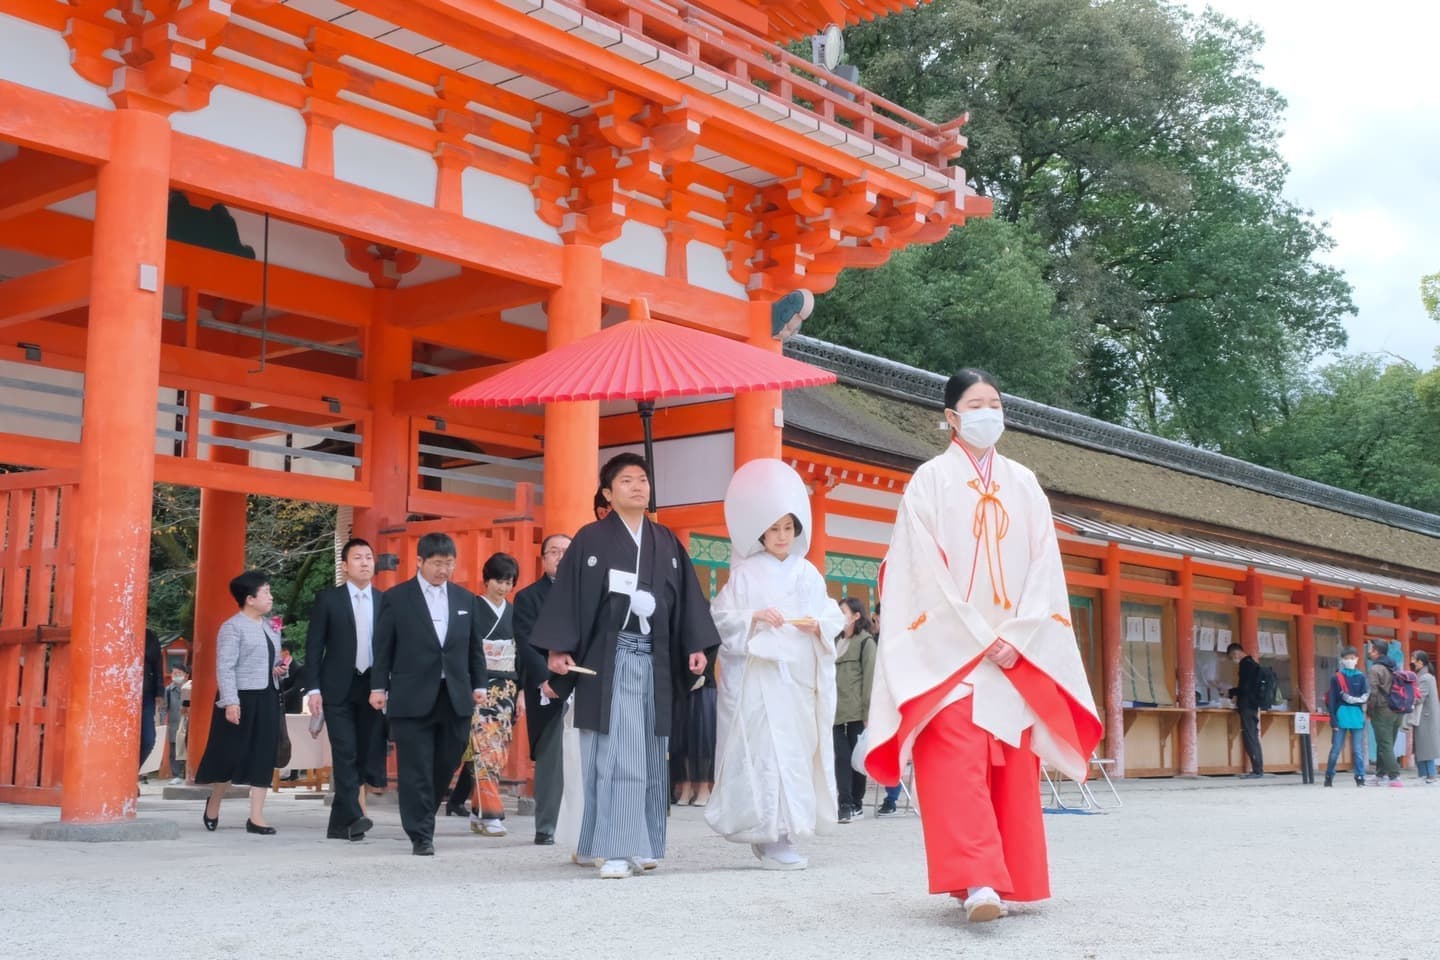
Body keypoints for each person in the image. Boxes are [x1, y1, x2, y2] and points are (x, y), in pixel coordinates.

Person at [863, 367, 1101, 924]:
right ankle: (978, 881)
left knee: (1011, 764)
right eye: (975, 404)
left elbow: (1045, 567)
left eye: (995, 403)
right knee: (955, 759)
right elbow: (920, 571)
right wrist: (977, 635)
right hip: (951, 652)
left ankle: (1009, 877)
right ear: (951, 417)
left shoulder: (1024, 482)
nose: (988, 412)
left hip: (1015, 649)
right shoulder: (929, 481)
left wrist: (1017, 635)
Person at [533, 452, 720, 880]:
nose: (638, 487)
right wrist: (559, 648)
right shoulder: (590, 539)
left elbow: (688, 601)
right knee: (616, 754)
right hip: (610, 660)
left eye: (643, 480)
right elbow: (569, 598)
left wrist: (695, 646)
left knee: (651, 754)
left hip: (656, 659)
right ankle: (614, 848)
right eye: (627, 481)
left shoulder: (666, 541)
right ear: (607, 493)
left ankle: (642, 844)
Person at [705, 458, 845, 870]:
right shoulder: (745, 574)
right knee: (764, 754)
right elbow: (722, 617)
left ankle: (785, 831)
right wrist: (754, 617)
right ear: (761, 532)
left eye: (788, 528)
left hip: (797, 678)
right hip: (760, 679)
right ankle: (768, 833)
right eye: (774, 529)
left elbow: (831, 615)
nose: (782, 536)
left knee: (796, 753)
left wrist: (818, 625)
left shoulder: (808, 573)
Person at [370, 533, 489, 856]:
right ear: (420, 561)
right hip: (411, 695)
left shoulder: (466, 600)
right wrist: (378, 687)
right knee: (415, 766)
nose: (444, 570)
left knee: (447, 760)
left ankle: (424, 812)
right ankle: (421, 833)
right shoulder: (396, 598)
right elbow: (383, 647)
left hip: (455, 694)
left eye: (449, 563)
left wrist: (479, 684)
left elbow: (474, 647)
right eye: (437, 563)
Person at [194, 571, 286, 835]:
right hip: (240, 698)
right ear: (249, 599)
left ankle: (256, 817)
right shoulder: (232, 627)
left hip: (267, 696)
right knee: (229, 753)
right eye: (265, 592)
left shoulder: (271, 626)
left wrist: (280, 670)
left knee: (263, 754)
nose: (270, 597)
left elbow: (273, 662)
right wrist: (231, 702)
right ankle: (214, 800)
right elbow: (225, 667)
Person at [303, 537, 383, 841]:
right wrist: (313, 689)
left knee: (363, 754)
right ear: (345, 565)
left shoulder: (384, 601)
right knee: (345, 751)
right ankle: (354, 816)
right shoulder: (328, 599)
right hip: (337, 687)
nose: (365, 563)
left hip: (372, 688)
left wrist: (387, 686)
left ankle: (339, 825)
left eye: (369, 557)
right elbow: (314, 647)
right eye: (358, 558)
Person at [453, 552, 520, 838]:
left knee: (497, 750)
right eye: (498, 581)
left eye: (508, 582)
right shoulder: (472, 608)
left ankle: (478, 811)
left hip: (506, 688)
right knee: (485, 750)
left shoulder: (514, 612)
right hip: (479, 688)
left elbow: (520, 655)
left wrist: (520, 692)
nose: (503, 587)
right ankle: (491, 814)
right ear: (486, 580)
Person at [514, 533, 573, 846]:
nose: (561, 557)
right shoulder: (528, 597)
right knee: (552, 757)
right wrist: (543, 679)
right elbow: (526, 642)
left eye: (567, 551)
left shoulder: (588, 593)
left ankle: (582, 825)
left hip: (584, 681)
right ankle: (546, 826)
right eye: (554, 552)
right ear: (543, 558)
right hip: (549, 685)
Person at [832, 597, 876, 824]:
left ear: (856, 616)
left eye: (843, 612)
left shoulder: (866, 642)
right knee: (841, 758)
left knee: (856, 759)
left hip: (857, 712)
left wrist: (868, 713)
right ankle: (845, 804)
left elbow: (870, 679)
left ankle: (855, 803)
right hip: (835, 711)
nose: (840, 617)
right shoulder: (834, 641)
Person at [671, 656, 716, 808]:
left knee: (702, 735)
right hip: (682, 680)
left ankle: (704, 786)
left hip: (705, 680)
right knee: (682, 736)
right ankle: (686, 785)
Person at [1323, 647, 1369, 788]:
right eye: (1347, 658)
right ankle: (1329, 775)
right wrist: (1333, 719)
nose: (1350, 660)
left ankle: (1360, 777)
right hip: (1341, 715)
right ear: (1342, 660)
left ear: (1357, 659)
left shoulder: (1362, 677)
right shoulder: (1336, 678)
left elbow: (1366, 696)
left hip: (1357, 716)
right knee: (1336, 749)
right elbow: (1332, 700)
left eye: (1352, 658)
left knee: (1358, 750)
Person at [1367, 639, 1403, 787]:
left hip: (1382, 710)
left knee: (1384, 744)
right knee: (1387, 743)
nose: (1369, 651)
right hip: (1397, 710)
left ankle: (1394, 776)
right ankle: (1380, 774)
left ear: (1377, 652)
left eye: (1371, 649)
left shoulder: (1375, 669)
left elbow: (1373, 692)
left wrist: (1370, 710)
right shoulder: (1394, 666)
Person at [1226, 643, 1265, 778]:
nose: (1233, 660)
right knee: (1252, 735)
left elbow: (1245, 687)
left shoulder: (1245, 665)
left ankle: (1257, 770)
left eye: (1232, 657)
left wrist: (1231, 692)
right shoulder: (1252, 663)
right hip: (1253, 705)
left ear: (1235, 653)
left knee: (1250, 737)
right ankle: (1258, 769)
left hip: (1247, 706)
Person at [1408, 651, 1438, 784]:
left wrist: (1406, 700)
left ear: (1420, 661)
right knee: (1423, 745)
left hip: (1425, 716)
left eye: (1413, 659)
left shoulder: (1424, 677)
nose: (1412, 661)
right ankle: (1424, 774)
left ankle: (1430, 774)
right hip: (1425, 716)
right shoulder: (1426, 676)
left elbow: (1420, 697)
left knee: (1425, 746)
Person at [139, 628, 164, 779]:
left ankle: (131, 774)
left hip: (146, 695)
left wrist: (160, 692)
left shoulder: (150, 636)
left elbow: (158, 666)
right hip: (118, 694)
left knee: (149, 739)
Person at [163, 665, 189, 784]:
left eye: (179, 673)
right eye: (174, 673)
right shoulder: (168, 690)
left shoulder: (190, 688)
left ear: (186, 675)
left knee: (187, 748)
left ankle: (188, 773)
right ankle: (176, 775)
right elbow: (163, 708)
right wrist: (162, 723)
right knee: (174, 750)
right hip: (174, 724)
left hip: (188, 722)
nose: (176, 676)